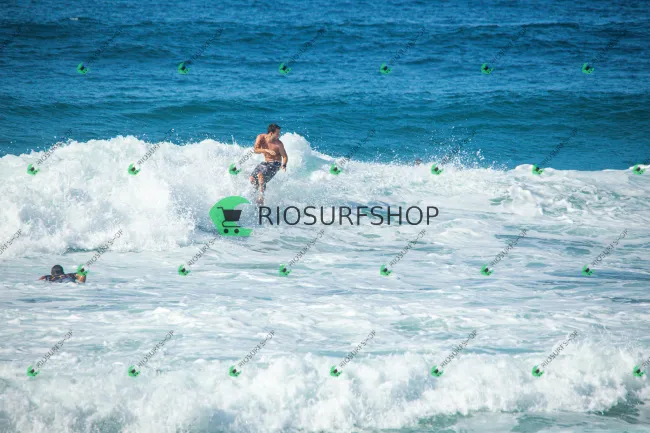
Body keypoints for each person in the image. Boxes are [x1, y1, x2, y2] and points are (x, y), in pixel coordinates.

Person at [249, 124, 288, 205]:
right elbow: (255, 150)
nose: (279, 135)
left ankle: (261, 198)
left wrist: (284, 165)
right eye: (277, 133)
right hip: (265, 163)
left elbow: (284, 156)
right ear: (271, 133)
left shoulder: (279, 144)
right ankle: (253, 197)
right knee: (252, 179)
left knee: (260, 175)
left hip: (275, 164)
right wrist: (266, 150)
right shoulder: (261, 137)